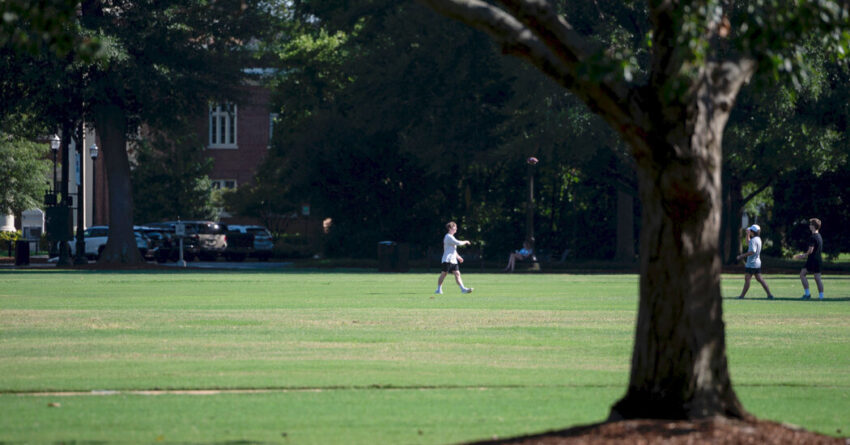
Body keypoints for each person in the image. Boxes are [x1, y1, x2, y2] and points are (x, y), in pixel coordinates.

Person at [735, 224, 774, 300]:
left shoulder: (753, 240)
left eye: (750, 231)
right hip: (757, 263)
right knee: (760, 279)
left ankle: (742, 296)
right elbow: (747, 243)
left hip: (751, 263)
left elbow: (752, 251)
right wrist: (748, 235)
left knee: (747, 279)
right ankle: (770, 295)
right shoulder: (758, 239)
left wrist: (741, 256)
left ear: (753, 231)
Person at [435, 221, 474, 294]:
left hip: (453, 260)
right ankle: (438, 289)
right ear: (449, 229)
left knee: (457, 274)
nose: (455, 229)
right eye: (454, 228)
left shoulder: (452, 237)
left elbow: (453, 250)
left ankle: (463, 289)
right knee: (444, 274)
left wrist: (458, 257)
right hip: (447, 259)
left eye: (456, 228)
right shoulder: (448, 236)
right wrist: (465, 241)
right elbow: (458, 243)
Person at [794, 218, 824, 300]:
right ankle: (821, 297)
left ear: (813, 226)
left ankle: (807, 294)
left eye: (810, 224)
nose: (809, 226)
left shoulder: (813, 237)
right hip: (818, 260)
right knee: (817, 278)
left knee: (802, 274)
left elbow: (810, 250)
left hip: (812, 260)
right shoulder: (819, 236)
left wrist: (803, 255)